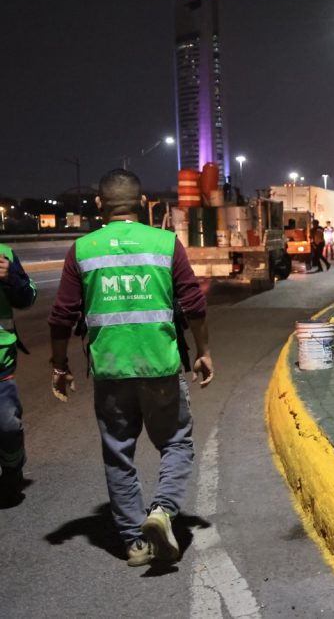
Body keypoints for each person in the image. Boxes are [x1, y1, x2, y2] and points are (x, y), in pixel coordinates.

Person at [48, 169, 214, 567]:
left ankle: (134, 543)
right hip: (160, 367)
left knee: (118, 454)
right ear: (142, 203)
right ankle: (162, 511)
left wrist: (59, 364)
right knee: (175, 443)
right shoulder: (165, 243)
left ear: (100, 205)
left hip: (110, 372)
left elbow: (61, 315)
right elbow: (193, 304)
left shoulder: (83, 249)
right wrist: (204, 350)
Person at [0, 244, 37, 506]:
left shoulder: (5, 254)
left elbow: (28, 297)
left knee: (8, 426)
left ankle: (12, 470)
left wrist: (10, 277)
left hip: (1, 361)